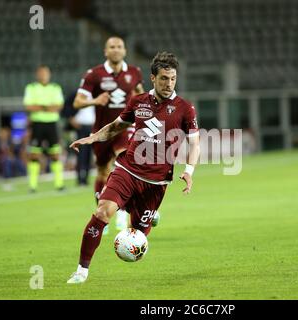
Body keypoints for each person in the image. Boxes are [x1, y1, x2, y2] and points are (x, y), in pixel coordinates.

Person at [66, 52, 200, 284]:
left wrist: (189, 171)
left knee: (137, 233)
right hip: (127, 170)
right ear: (153, 78)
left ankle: (145, 214)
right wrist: (93, 138)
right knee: (102, 212)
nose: (169, 84)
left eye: (173, 79)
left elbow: (195, 143)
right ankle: (81, 270)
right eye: (164, 79)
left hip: (156, 183)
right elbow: (117, 126)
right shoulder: (138, 102)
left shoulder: (185, 108)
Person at [73, 36, 145, 232]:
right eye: (112, 47)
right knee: (103, 172)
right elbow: (77, 102)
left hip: (123, 128)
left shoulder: (134, 72)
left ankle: (123, 213)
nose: (115, 50)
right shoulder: (94, 74)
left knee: (122, 164)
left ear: (125, 51)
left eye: (119, 46)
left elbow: (141, 94)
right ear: (106, 51)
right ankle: (101, 214)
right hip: (101, 132)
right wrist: (95, 101)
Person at [24, 65, 65, 192]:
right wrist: (48, 107)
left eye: (45, 73)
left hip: (52, 124)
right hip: (37, 124)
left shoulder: (55, 88)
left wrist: (40, 107)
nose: (43, 75)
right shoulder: (31, 88)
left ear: (49, 74)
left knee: (55, 154)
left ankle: (59, 184)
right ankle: (32, 186)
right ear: (37, 74)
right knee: (34, 154)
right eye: (41, 73)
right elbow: (28, 106)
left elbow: (58, 106)